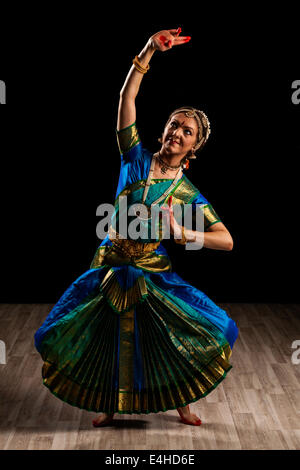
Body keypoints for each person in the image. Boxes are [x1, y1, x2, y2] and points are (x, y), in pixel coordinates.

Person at [34, 28, 238, 428]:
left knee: (168, 335)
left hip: (152, 271)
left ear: (194, 147)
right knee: (104, 336)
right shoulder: (134, 156)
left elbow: (226, 240)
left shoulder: (186, 191)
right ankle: (111, 406)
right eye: (173, 125)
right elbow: (127, 98)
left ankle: (181, 404)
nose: (177, 133)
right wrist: (148, 50)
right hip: (110, 263)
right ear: (163, 129)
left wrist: (184, 235)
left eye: (187, 131)